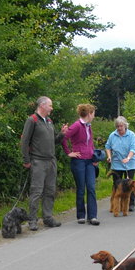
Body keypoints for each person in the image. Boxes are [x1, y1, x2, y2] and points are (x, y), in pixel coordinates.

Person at [20, 96, 68, 231]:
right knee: (36, 191)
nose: (52, 108)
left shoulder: (49, 121)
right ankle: (32, 220)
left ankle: (47, 218)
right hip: (38, 161)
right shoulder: (32, 120)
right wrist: (26, 160)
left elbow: (54, 141)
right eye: (50, 106)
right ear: (42, 105)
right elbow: (24, 142)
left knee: (50, 190)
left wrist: (62, 134)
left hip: (51, 161)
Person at [62, 104, 100, 225]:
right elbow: (64, 138)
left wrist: (95, 156)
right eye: (93, 113)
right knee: (80, 189)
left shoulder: (89, 126)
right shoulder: (77, 125)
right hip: (78, 161)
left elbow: (91, 143)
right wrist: (69, 153)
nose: (94, 116)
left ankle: (92, 216)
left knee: (91, 187)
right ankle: (81, 215)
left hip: (89, 161)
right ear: (89, 113)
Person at [105, 116, 135, 211]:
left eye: (121, 126)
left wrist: (128, 157)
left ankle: (131, 204)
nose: (119, 128)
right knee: (116, 186)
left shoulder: (131, 134)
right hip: (117, 164)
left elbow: (134, 148)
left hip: (130, 163)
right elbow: (108, 146)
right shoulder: (112, 135)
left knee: (130, 185)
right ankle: (115, 204)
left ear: (125, 125)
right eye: (117, 126)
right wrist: (109, 156)